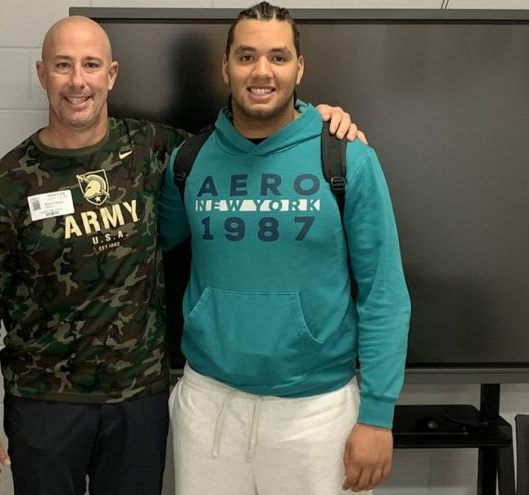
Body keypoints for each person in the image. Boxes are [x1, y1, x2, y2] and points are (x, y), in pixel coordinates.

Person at [0, 14, 365, 495]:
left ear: (112, 75)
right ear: (42, 75)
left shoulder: (157, 151)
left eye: (91, 65)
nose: (78, 81)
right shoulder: (4, 183)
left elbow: (247, 129)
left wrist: (318, 117)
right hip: (44, 402)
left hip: (139, 401)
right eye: (63, 66)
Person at [160, 3, 411, 495]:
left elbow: (383, 293)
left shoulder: (345, 157)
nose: (261, 72)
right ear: (225, 65)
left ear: (300, 67)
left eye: (278, 57)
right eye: (247, 56)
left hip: (316, 414)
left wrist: (378, 416)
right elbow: (143, 250)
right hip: (208, 405)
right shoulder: (187, 161)